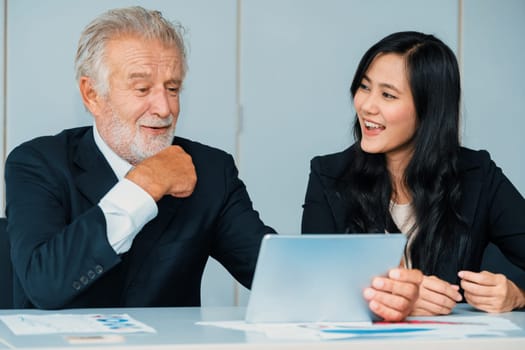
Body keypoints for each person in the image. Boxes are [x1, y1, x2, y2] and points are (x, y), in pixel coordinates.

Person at [5, 6, 275, 309]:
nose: (164, 108)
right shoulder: (37, 163)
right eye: (142, 88)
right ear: (92, 94)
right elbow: (44, 285)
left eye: (172, 88)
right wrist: (142, 187)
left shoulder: (211, 170)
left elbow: (274, 275)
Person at [302, 31, 525, 318]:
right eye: (364, 87)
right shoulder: (329, 175)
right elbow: (311, 286)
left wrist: (517, 294)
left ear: (429, 109)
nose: (367, 105)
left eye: (388, 95)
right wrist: (393, 300)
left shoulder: (477, 174)